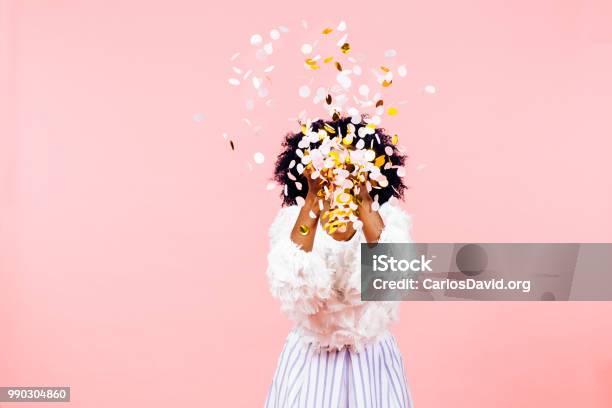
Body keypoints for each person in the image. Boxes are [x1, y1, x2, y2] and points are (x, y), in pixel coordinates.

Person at [264, 117, 414, 407]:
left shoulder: (386, 220)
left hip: (372, 363)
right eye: (328, 165)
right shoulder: (295, 223)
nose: (339, 176)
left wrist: (364, 201)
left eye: (350, 166)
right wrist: (312, 200)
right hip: (311, 363)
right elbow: (296, 290)